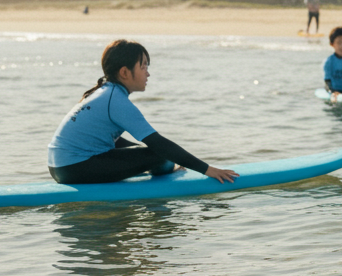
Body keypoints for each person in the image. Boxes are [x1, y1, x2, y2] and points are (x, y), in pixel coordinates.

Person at [47, 40, 239, 185]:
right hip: (75, 168)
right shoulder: (116, 100)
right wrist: (207, 170)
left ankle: (161, 167)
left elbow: (109, 141)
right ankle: (168, 169)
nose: (148, 73)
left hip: (58, 168)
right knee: (159, 155)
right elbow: (158, 144)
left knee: (152, 154)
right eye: (143, 66)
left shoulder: (103, 93)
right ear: (124, 72)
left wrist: (141, 156)